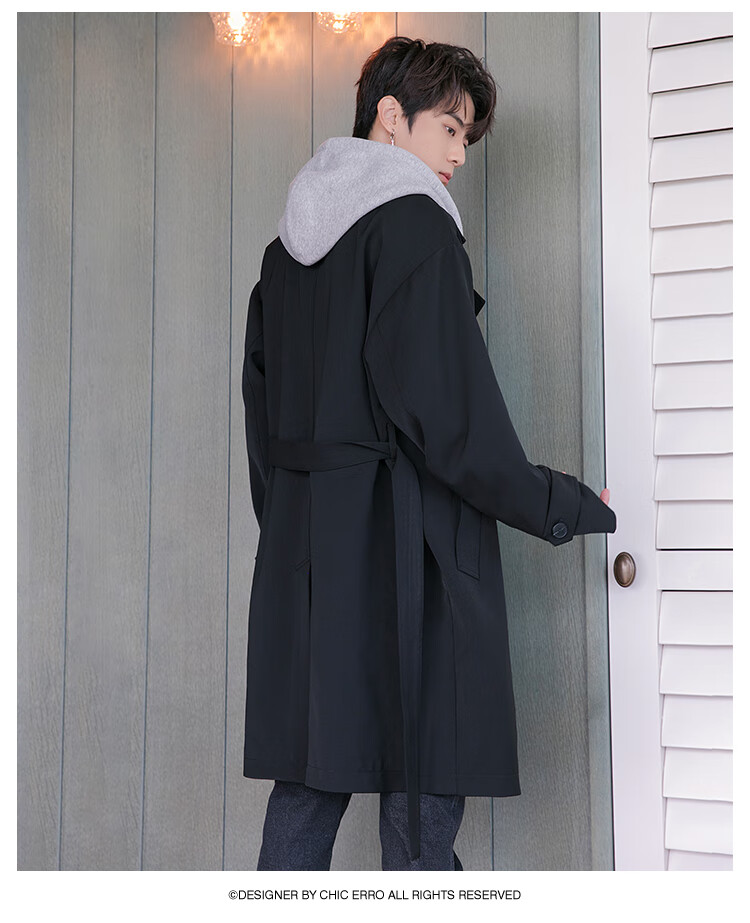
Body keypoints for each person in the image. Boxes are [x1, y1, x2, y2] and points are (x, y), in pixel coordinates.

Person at [241, 36, 616, 872]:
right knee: (422, 792)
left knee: (308, 785)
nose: (459, 155)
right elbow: (453, 420)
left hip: (309, 562)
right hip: (410, 554)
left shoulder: (284, 250)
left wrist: (296, 527)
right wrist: (559, 501)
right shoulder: (414, 225)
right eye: (449, 128)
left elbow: (261, 415)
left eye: (466, 138)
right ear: (389, 115)